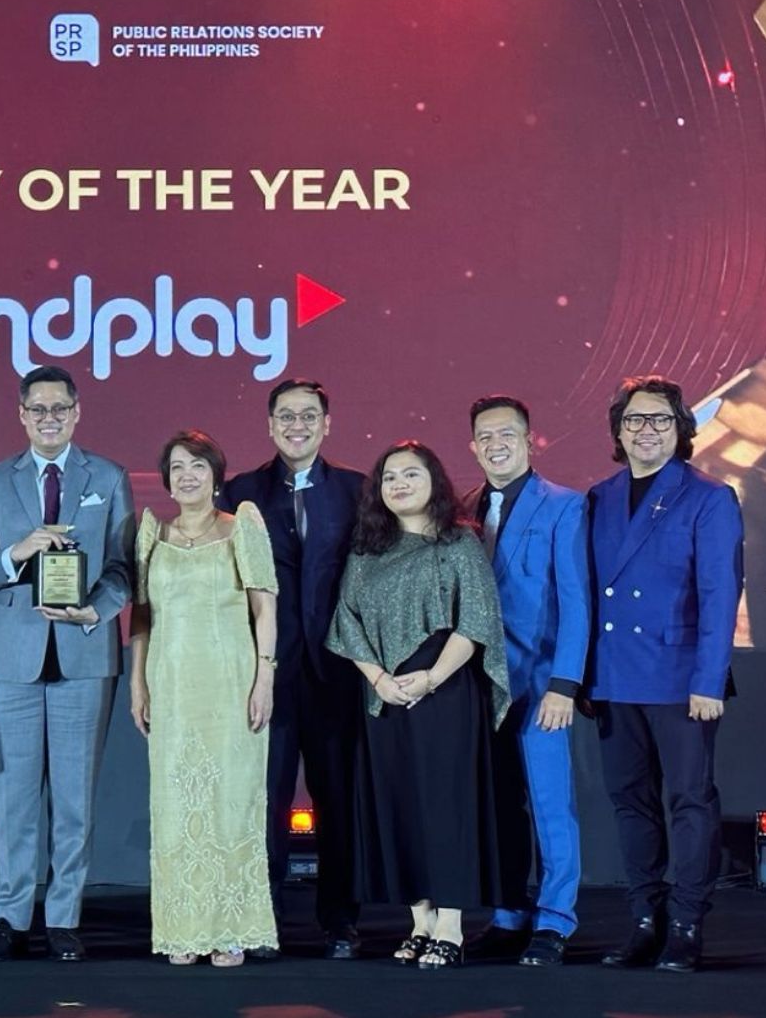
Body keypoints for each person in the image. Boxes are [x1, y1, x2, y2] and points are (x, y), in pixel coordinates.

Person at [0, 366, 134, 962]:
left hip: (84, 655)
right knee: (12, 799)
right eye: (38, 409)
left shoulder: (108, 477)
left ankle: (63, 918)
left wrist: (94, 611)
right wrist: (18, 551)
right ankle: (9, 918)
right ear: (21, 415)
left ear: (77, 412)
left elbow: (123, 568)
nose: (49, 418)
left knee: (73, 799)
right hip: (12, 659)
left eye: (59, 408)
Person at [327, 440, 514, 971]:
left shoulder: (459, 543)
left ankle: (451, 924)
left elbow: (476, 621)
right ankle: (420, 921)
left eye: (411, 474)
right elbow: (345, 621)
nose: (399, 484)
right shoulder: (366, 551)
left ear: (435, 481)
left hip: (445, 691)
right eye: (389, 477)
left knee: (445, 805)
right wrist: (379, 680)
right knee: (400, 803)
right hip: (385, 696)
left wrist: (430, 678)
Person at [586, 375, 742, 974]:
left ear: (681, 429)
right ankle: (644, 921)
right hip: (614, 676)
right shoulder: (599, 497)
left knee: (689, 800)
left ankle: (685, 924)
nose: (645, 430)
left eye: (659, 419)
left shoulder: (709, 497)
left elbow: (720, 595)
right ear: (618, 431)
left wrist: (709, 680)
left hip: (681, 679)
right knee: (630, 802)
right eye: (634, 420)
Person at [220, 378, 366, 959]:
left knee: (338, 800)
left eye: (309, 416)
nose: (297, 425)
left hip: (338, 672)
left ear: (327, 424)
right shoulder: (241, 491)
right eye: (286, 416)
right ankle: (262, 919)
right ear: (269, 425)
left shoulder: (357, 490)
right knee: (265, 799)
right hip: (266, 675)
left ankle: (341, 922)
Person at [131, 430, 279, 967]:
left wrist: (264, 679)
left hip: (230, 683)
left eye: (197, 465)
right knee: (175, 807)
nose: (187, 475)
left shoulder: (242, 526)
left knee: (231, 803)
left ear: (216, 473)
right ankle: (183, 930)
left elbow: (265, 608)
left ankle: (230, 929)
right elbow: (142, 616)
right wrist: (138, 683)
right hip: (171, 685)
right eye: (177, 467)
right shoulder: (153, 534)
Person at [463, 395, 591, 967]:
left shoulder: (565, 505)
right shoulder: (462, 509)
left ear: (529, 439)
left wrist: (565, 683)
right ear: (473, 446)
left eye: (507, 434)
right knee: (499, 807)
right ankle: (508, 914)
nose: (497, 445)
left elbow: (577, 601)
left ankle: (555, 920)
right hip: (479, 686)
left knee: (550, 805)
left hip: (541, 684)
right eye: (486, 437)